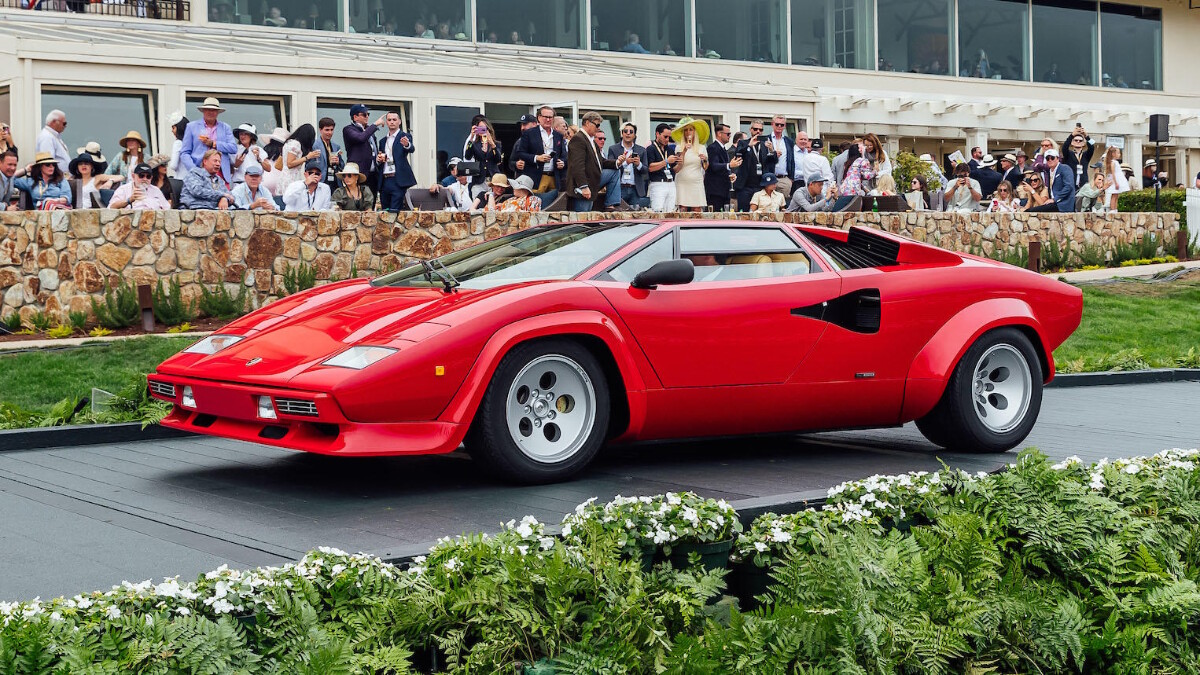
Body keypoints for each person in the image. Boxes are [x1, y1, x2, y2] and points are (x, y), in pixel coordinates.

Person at [563, 111, 618, 212]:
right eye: (597, 125)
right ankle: (609, 204)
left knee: (615, 171)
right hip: (581, 190)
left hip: (591, 185)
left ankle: (611, 204)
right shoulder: (578, 139)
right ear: (587, 123)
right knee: (581, 223)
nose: (598, 128)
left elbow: (600, 161)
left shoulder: (591, 140)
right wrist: (583, 186)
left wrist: (617, 162)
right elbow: (577, 165)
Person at [180, 98, 238, 184]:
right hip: (199, 170)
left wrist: (214, 144)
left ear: (217, 112)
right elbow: (184, 153)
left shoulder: (225, 127)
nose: (210, 112)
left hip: (220, 172)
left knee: (224, 197)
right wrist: (194, 170)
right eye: (208, 110)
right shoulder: (191, 127)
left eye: (214, 110)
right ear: (203, 111)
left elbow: (233, 148)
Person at [515, 105, 566, 194]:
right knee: (537, 203)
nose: (548, 120)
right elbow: (520, 153)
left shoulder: (558, 136)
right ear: (539, 117)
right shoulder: (529, 133)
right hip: (537, 176)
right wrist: (536, 158)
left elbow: (564, 155)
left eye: (550, 117)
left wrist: (562, 162)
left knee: (554, 205)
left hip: (554, 176)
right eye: (545, 117)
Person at [377, 111, 416, 211]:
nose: (392, 122)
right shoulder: (382, 141)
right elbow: (380, 157)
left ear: (400, 121)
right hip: (385, 179)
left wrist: (407, 144)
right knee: (385, 210)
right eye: (389, 120)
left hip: (398, 179)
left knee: (395, 210)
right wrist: (379, 159)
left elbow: (411, 149)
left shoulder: (404, 136)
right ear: (386, 122)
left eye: (394, 120)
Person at [733, 121, 777, 211]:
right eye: (755, 129)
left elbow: (773, 161)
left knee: (760, 212)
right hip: (745, 185)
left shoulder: (765, 145)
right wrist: (749, 145)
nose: (758, 131)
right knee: (744, 213)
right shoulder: (743, 143)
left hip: (760, 185)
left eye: (760, 130)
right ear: (750, 130)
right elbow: (738, 154)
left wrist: (772, 150)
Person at [607, 122, 650, 209]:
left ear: (634, 135)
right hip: (619, 188)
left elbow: (646, 171)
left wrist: (638, 164)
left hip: (635, 188)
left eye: (631, 132)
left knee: (635, 217)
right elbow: (610, 168)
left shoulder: (641, 150)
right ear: (622, 133)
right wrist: (626, 162)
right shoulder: (613, 149)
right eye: (625, 131)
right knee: (619, 215)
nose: (628, 133)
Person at [671, 117, 709, 211]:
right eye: (686, 130)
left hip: (696, 181)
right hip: (682, 181)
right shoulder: (679, 147)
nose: (688, 132)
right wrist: (684, 150)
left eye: (691, 130)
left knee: (697, 209)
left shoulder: (701, 147)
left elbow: (705, 167)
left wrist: (704, 160)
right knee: (682, 209)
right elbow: (678, 165)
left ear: (695, 132)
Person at [704, 123, 740, 212]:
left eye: (730, 134)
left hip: (723, 190)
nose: (730, 136)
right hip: (715, 191)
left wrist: (730, 174)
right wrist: (729, 165)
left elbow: (721, 167)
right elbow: (714, 165)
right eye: (728, 134)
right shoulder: (713, 147)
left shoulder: (723, 148)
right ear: (719, 134)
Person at [343, 104, 380, 190]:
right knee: (357, 201)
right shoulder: (349, 129)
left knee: (371, 201)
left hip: (372, 174)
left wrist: (378, 158)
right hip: (358, 174)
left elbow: (373, 150)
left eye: (368, 114)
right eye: (364, 114)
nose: (367, 116)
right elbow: (360, 138)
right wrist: (375, 125)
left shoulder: (369, 131)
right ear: (355, 117)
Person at [464, 116, 502, 197]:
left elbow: (498, 159)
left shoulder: (496, 144)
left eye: (484, 128)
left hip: (493, 179)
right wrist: (471, 137)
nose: (482, 130)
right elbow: (467, 156)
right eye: (479, 128)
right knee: (478, 204)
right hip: (479, 179)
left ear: (489, 129)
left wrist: (492, 144)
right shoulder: (474, 144)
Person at [645, 123, 679, 212]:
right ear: (657, 134)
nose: (667, 140)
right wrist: (666, 161)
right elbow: (650, 167)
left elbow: (676, 169)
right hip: (658, 183)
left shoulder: (670, 149)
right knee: (658, 211)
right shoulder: (650, 148)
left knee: (671, 212)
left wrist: (681, 160)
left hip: (671, 183)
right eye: (665, 137)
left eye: (669, 137)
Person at [765, 116, 795, 198]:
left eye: (782, 125)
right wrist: (773, 154)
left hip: (784, 179)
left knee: (783, 205)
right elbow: (762, 158)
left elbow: (791, 160)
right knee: (768, 203)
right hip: (770, 177)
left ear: (785, 126)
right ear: (772, 124)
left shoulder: (789, 141)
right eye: (777, 124)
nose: (779, 127)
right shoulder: (766, 139)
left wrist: (791, 178)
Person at [35, 110, 71, 174]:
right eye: (64, 123)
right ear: (54, 122)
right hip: (56, 180)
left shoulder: (53, 136)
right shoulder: (47, 137)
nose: (65, 126)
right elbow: (47, 163)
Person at [1061, 125, 1095, 189]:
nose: (1078, 142)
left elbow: (1092, 147)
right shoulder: (1069, 154)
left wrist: (1086, 136)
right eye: (1076, 140)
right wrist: (1072, 135)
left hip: (1083, 184)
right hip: (1071, 184)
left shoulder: (1085, 155)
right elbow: (1064, 147)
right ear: (1072, 142)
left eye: (1080, 140)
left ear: (1083, 143)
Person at [315, 117, 344, 192]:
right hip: (321, 182)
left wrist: (338, 163)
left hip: (335, 182)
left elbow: (342, 165)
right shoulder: (314, 145)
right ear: (320, 130)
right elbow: (309, 165)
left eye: (331, 130)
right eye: (327, 130)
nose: (330, 132)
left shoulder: (336, 146)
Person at [1102, 146, 1129, 211]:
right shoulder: (1113, 162)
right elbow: (1113, 173)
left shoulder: (1115, 162)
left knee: (1116, 195)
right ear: (1113, 154)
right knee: (1114, 195)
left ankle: (1115, 208)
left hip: (1117, 179)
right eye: (1118, 153)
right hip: (1115, 181)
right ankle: (1113, 209)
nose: (1119, 155)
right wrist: (1116, 183)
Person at [167, 112, 189, 178]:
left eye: (173, 128)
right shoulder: (191, 143)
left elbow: (173, 165)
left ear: (179, 128)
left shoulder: (178, 143)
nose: (172, 131)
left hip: (181, 178)